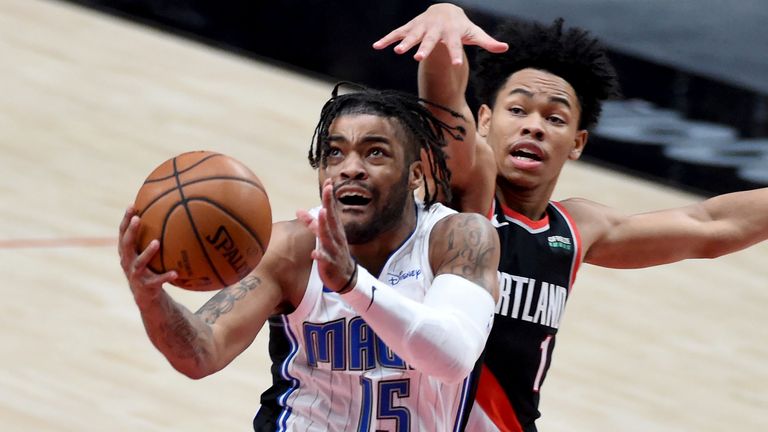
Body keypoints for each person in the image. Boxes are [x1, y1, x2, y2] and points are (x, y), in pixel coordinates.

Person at [374, 4, 768, 431]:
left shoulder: (578, 229)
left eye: (555, 118)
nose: (535, 127)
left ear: (577, 142)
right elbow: (444, 108)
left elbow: (709, 226)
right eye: (518, 110)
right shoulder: (467, 194)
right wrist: (445, 17)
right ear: (485, 120)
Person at [118, 83, 501, 431]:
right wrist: (151, 299)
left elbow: (452, 359)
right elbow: (202, 354)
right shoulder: (290, 251)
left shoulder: (457, 238)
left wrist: (353, 284)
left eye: (375, 153)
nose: (351, 168)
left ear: (414, 174)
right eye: (334, 153)